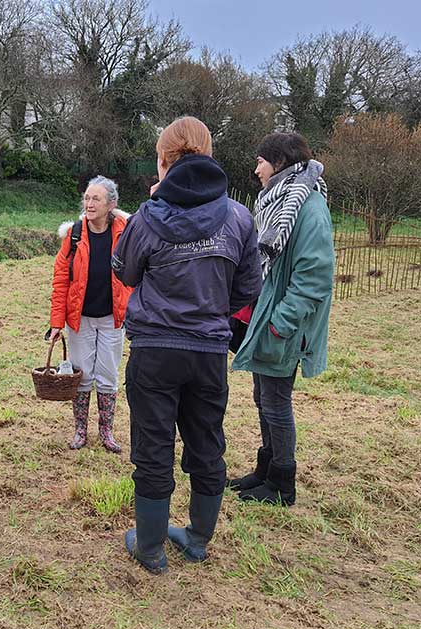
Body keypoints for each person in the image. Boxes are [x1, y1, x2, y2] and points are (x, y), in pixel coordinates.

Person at [112, 116, 262, 573]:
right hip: (208, 351)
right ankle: (197, 538)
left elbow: (125, 272)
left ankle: (151, 546)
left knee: (153, 446)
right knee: (206, 442)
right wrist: (211, 304)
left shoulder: (148, 216)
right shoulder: (239, 216)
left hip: (156, 349)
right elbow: (248, 287)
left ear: (163, 161)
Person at [229, 132, 335, 507]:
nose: (256, 168)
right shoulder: (281, 201)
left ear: (280, 163)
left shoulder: (308, 209)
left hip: (283, 324)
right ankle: (265, 470)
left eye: (260, 160)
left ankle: (282, 485)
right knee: (263, 397)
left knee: (276, 401)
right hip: (267, 316)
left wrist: (280, 324)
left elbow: (315, 278)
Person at [49, 176, 132, 453]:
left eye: (96, 198)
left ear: (111, 204)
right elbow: (61, 280)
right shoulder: (73, 235)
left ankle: (107, 432)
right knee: (81, 376)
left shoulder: (125, 232)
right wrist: (56, 323)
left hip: (112, 318)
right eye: (87, 198)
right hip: (80, 319)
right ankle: (80, 431)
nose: (89, 203)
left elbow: (135, 274)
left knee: (108, 375)